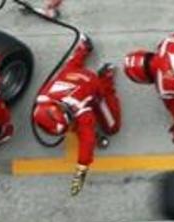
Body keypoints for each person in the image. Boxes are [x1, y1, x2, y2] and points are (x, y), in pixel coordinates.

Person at [33, 35, 122, 195]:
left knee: (112, 126)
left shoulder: (83, 113)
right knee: (68, 69)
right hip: (70, 76)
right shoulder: (44, 97)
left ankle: (106, 77)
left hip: (90, 84)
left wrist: (81, 172)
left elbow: (87, 142)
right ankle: (83, 48)